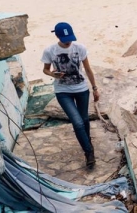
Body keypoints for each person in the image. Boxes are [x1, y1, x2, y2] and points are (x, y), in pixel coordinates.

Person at [41, 22, 100, 168]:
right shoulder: (50, 51)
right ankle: (89, 152)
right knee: (77, 122)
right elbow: (45, 70)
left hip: (81, 89)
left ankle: (87, 142)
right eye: (65, 39)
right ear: (57, 36)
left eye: (70, 39)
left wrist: (95, 88)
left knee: (85, 120)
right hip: (63, 91)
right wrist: (54, 74)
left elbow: (87, 69)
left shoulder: (80, 48)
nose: (68, 42)